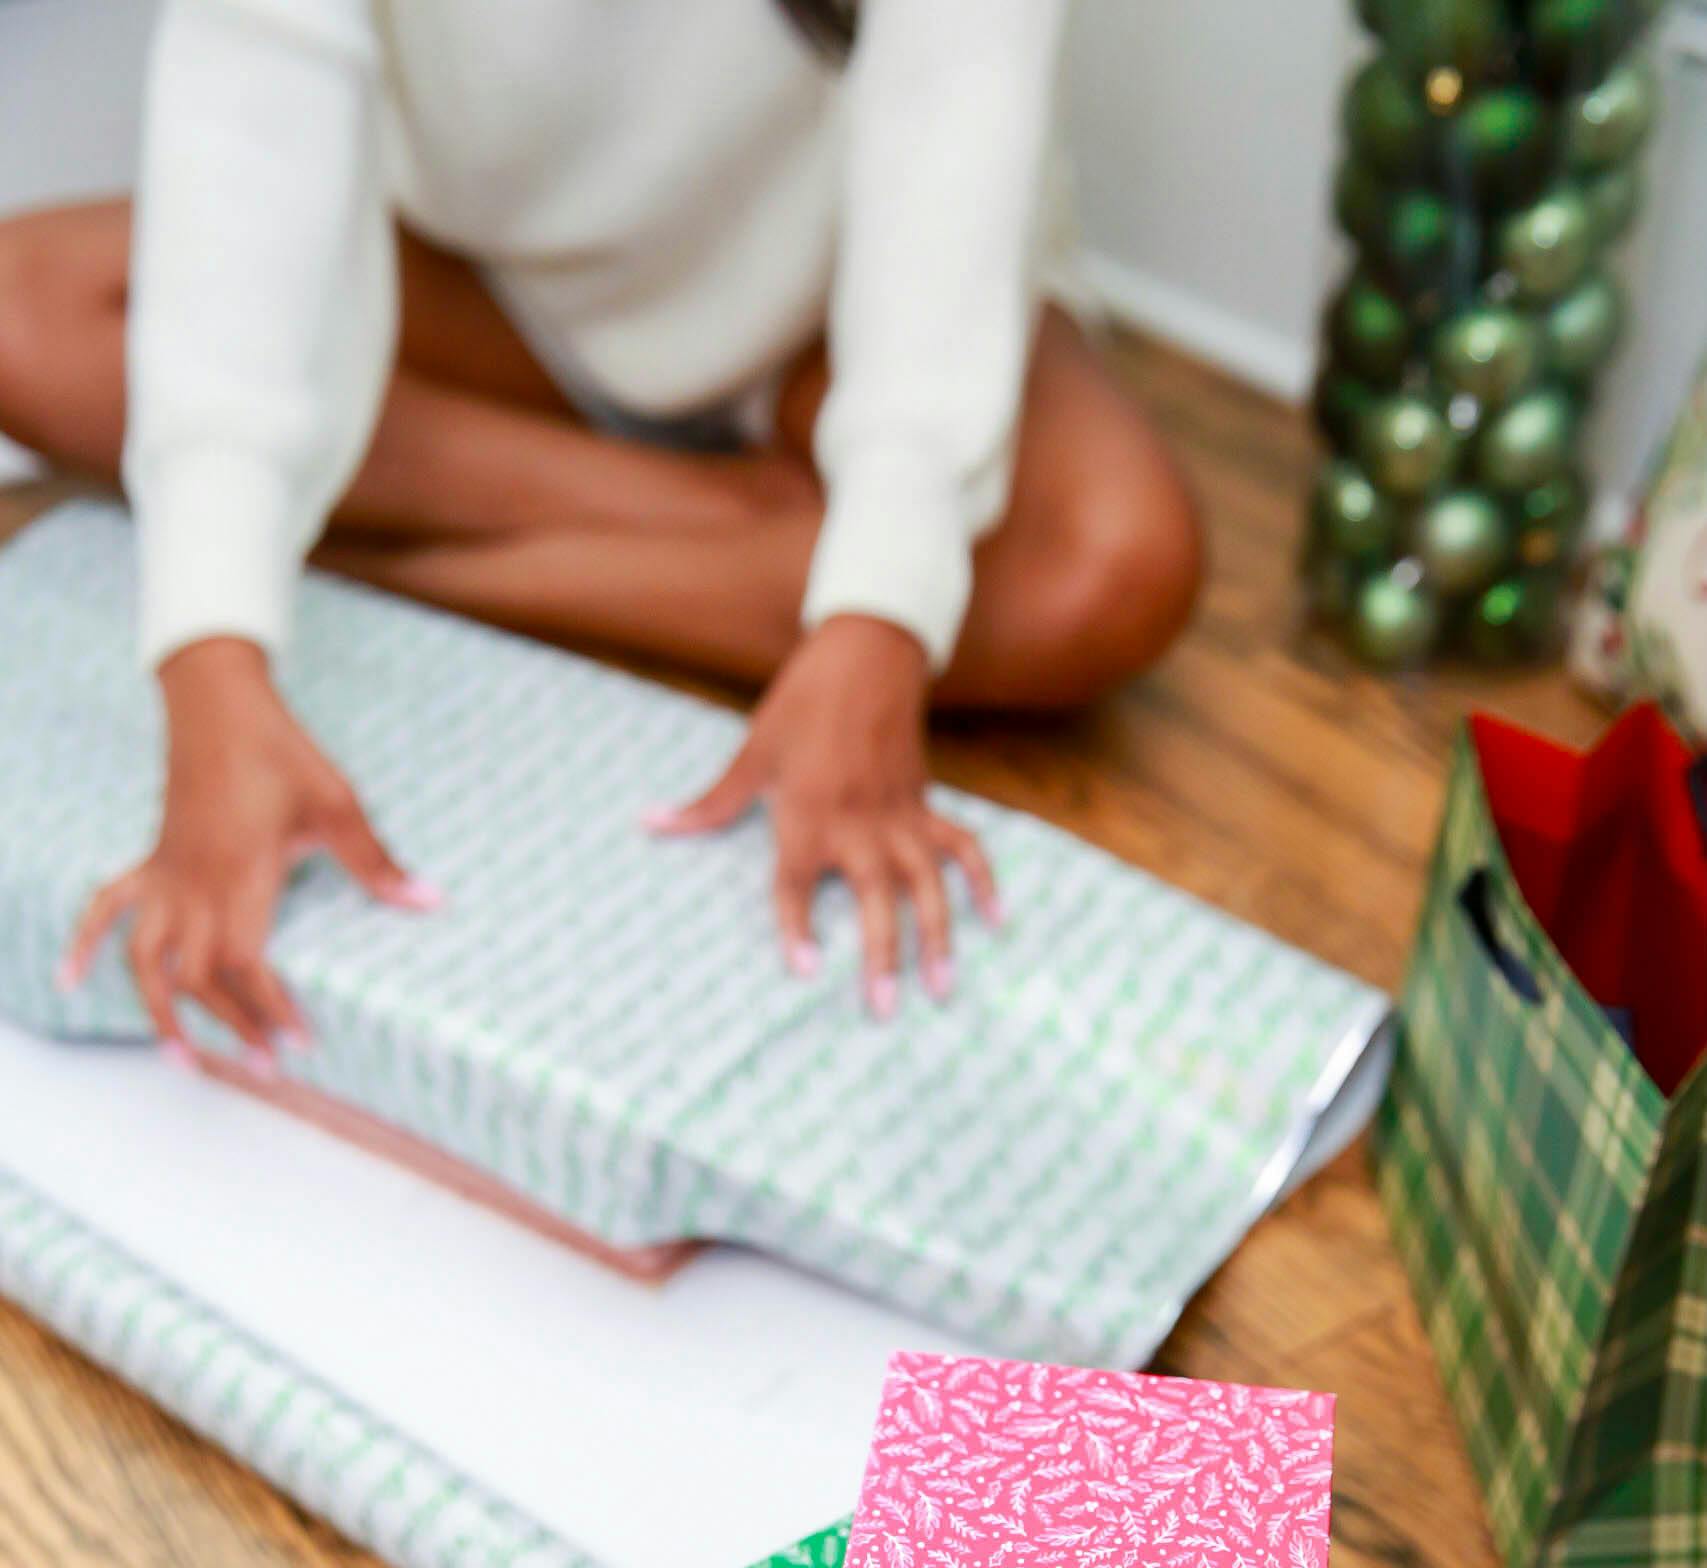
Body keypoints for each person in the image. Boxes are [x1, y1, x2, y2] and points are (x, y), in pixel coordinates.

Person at [0, 0, 1202, 1056]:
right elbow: (254, 90)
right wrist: (211, 655)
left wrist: (881, 601)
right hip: (498, 288)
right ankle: (737, 527)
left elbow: (957, 106)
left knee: (1112, 565)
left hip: (834, 311)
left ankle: (386, 551)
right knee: (25, 313)